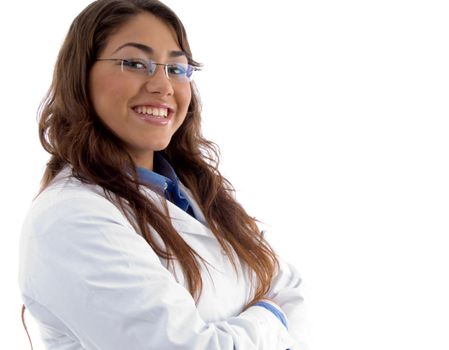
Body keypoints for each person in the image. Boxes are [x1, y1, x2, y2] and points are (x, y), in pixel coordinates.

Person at [18, 0, 307, 349]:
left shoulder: (196, 195)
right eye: (135, 63)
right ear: (80, 75)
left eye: (176, 68)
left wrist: (251, 322)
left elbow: (292, 289)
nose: (162, 85)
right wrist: (272, 316)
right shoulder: (70, 218)